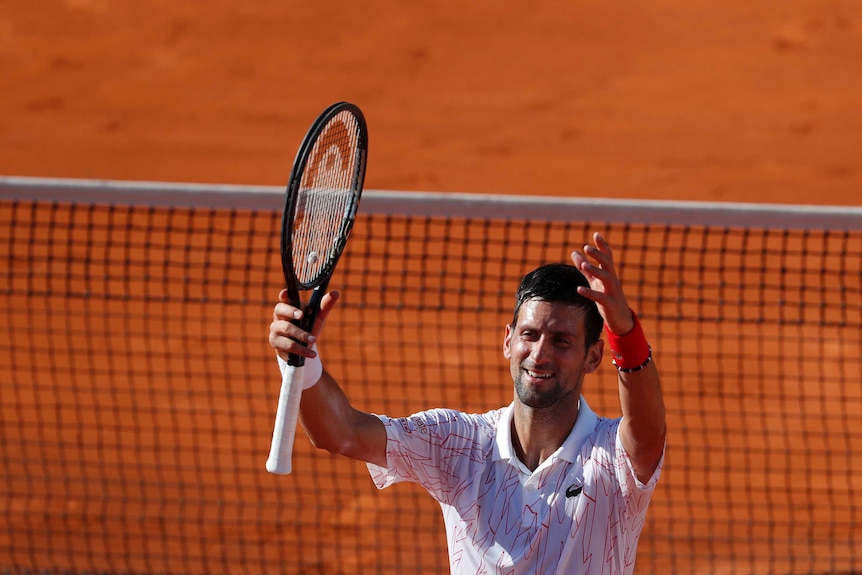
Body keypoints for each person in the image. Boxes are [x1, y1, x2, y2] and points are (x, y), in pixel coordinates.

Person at [269, 232, 666, 575]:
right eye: (529, 335)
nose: (540, 355)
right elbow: (340, 433)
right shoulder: (458, 443)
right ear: (508, 340)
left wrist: (624, 333)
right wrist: (302, 360)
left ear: (594, 356)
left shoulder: (612, 457)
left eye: (562, 341)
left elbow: (647, 432)